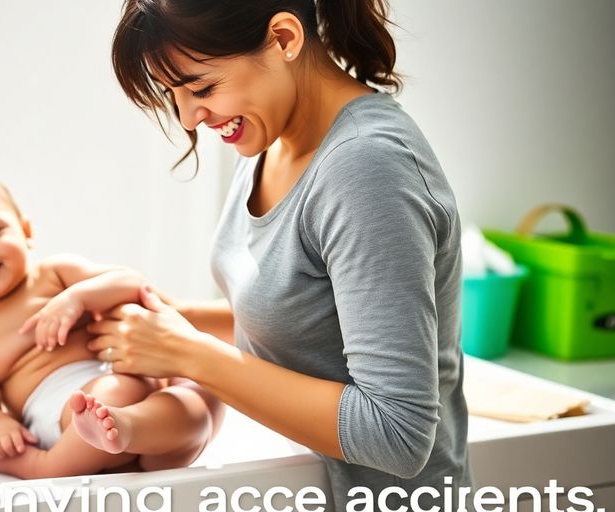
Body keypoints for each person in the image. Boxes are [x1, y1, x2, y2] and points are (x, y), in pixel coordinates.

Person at [77, 0, 473, 508]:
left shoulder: (366, 168)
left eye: (201, 87)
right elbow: (305, 322)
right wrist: (159, 319)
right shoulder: (273, 135)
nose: (190, 117)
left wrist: (189, 354)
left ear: (285, 38)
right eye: (172, 95)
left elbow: (397, 434)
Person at [0, 174, 219, 478]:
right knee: (113, 395)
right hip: (67, 413)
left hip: (137, 408)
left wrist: (80, 296)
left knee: (195, 413)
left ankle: (129, 430)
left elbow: (133, 285)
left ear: (25, 231)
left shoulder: (56, 275)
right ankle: (38, 464)